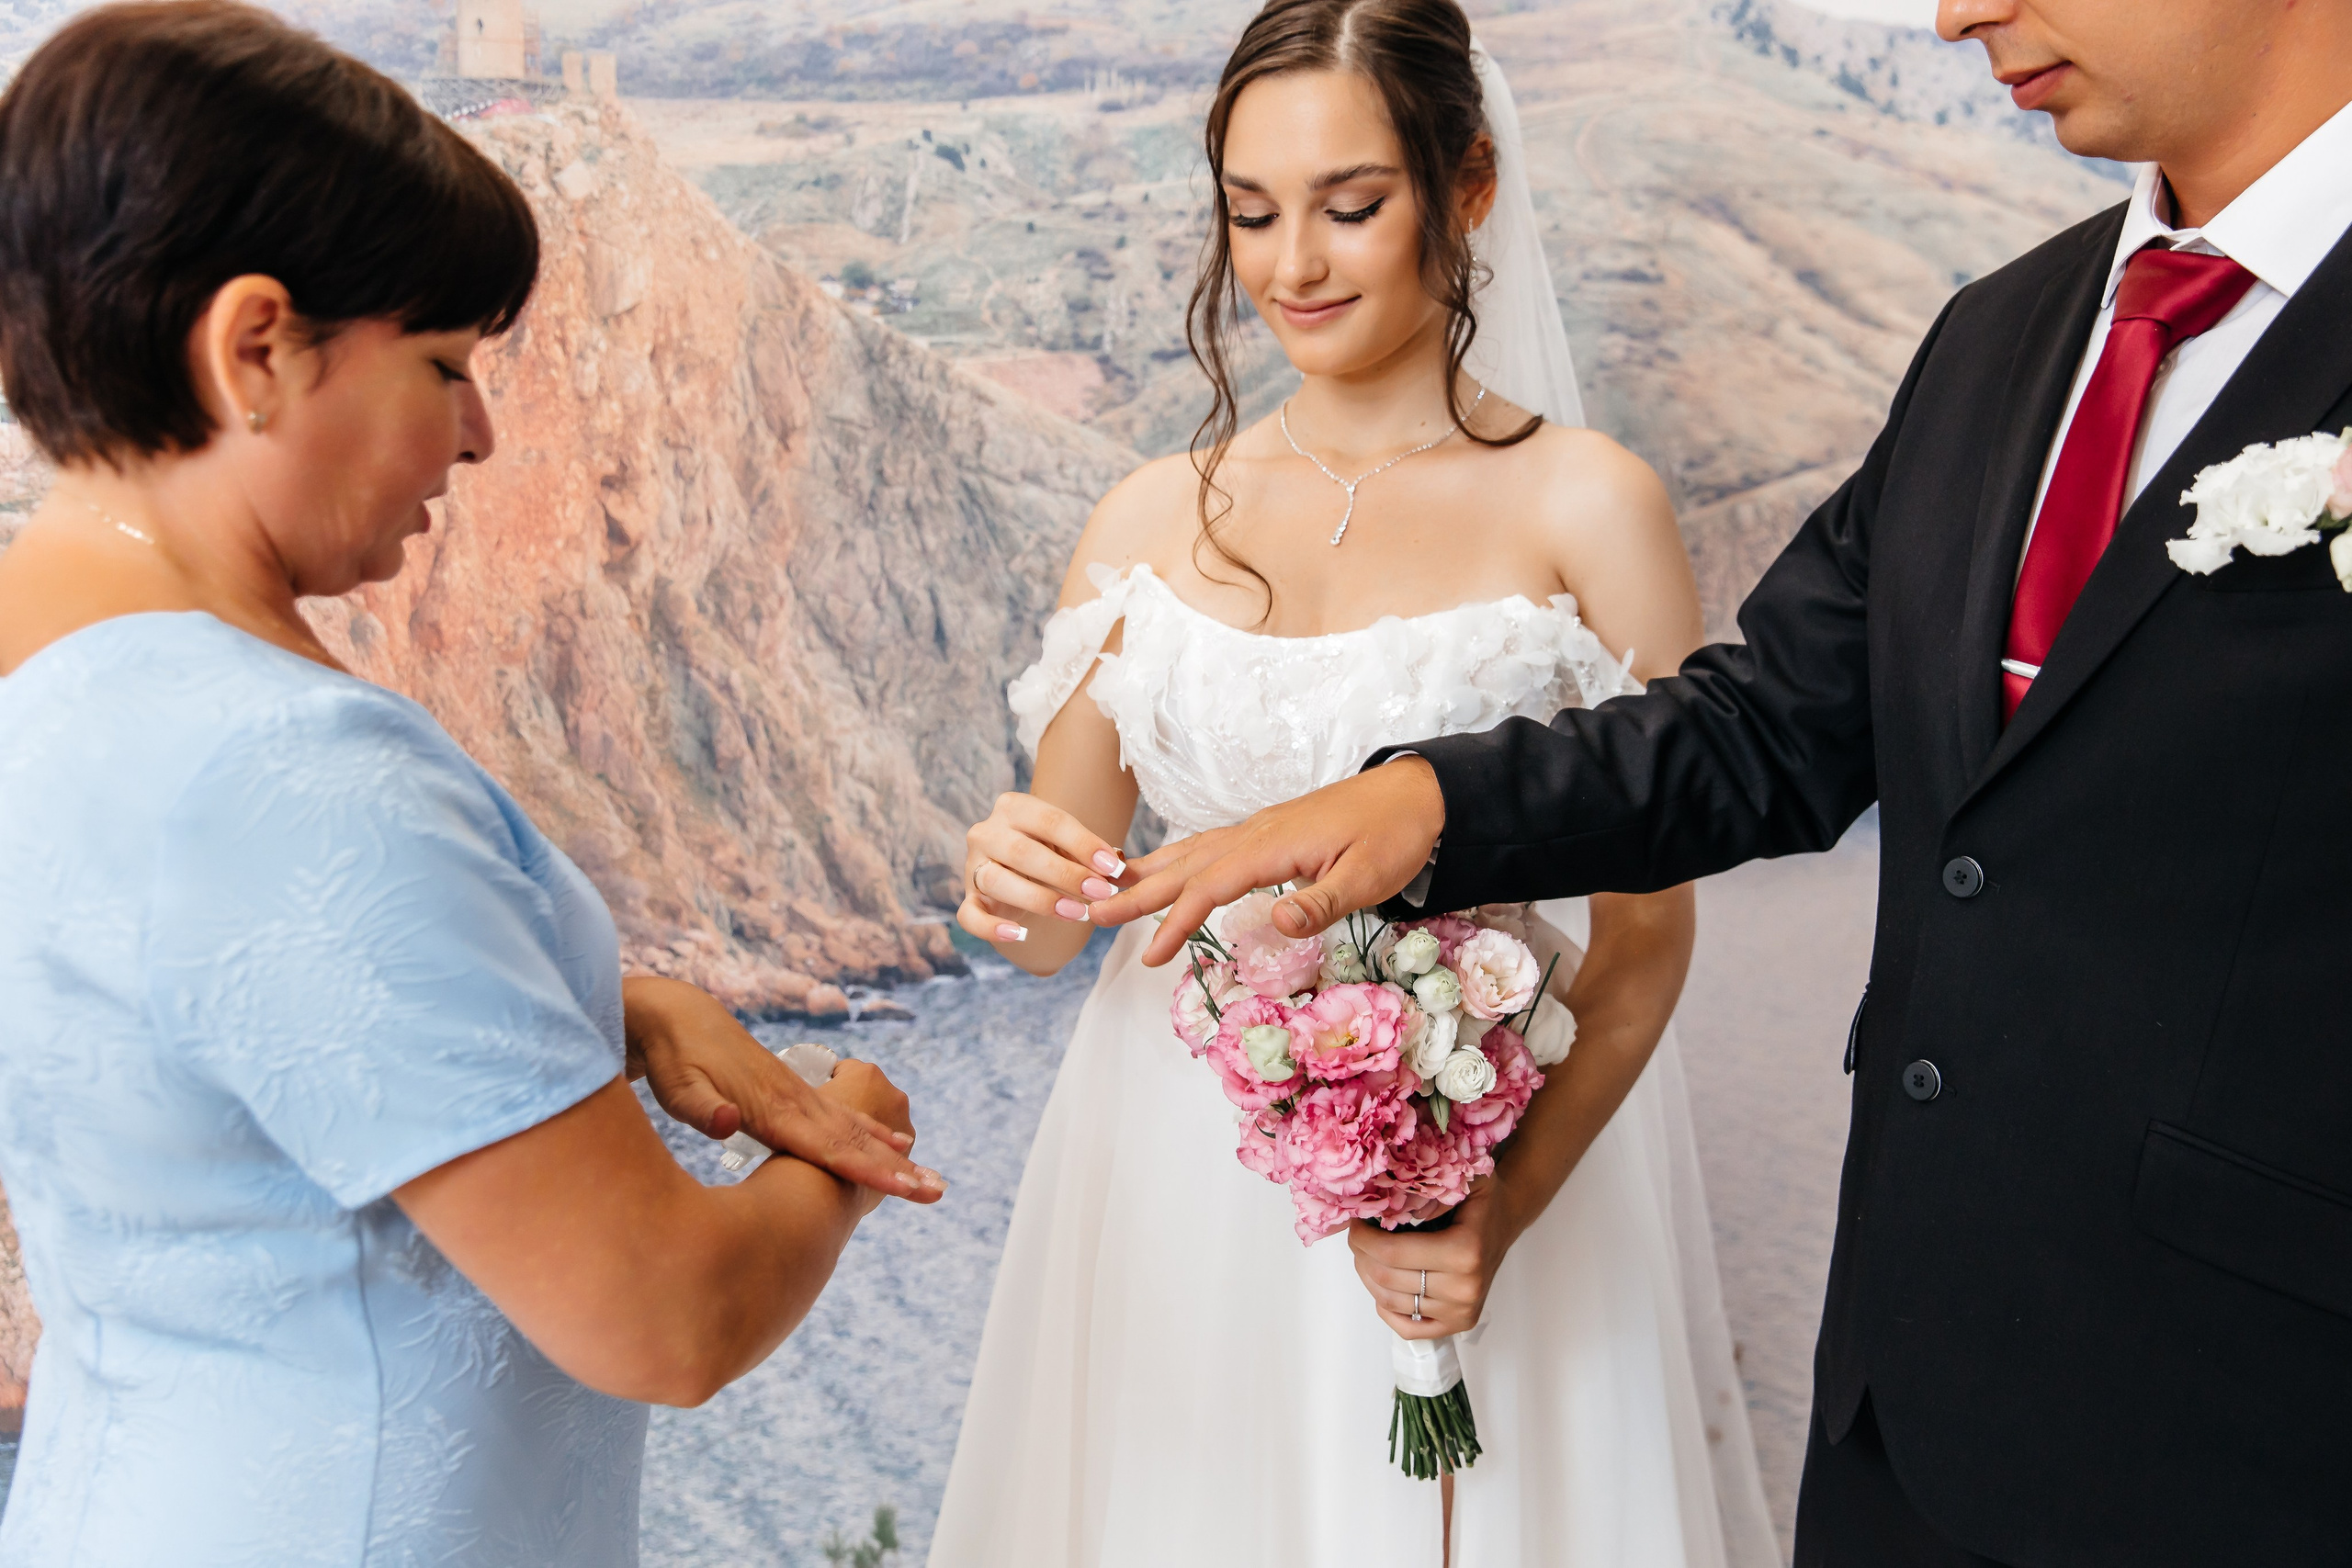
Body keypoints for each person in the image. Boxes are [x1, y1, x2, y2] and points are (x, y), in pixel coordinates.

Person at [1094, 0, 2352, 1562]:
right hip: (1906, 1420)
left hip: (2270, 1431)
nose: (1957, 12)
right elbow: (1768, 727)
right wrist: (1422, 803)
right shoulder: (2002, 336)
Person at [0, 7, 942, 1563]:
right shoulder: (289, 771)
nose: (483, 432)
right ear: (256, 350)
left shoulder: (51, 682)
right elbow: (669, 1319)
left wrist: (613, 1007)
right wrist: (841, 1136)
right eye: (443, 365)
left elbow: (207, 1025)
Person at [930, 3, 1776, 1562]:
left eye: (1350, 205)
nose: (1292, 265)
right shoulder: (1141, 523)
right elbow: (1063, 921)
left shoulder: (1589, 505)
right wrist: (1009, 874)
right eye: (1251, 213)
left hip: (1482, 1166)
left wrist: (1495, 1215)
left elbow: (1650, 940)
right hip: (1174, 1172)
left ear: (1467, 190)